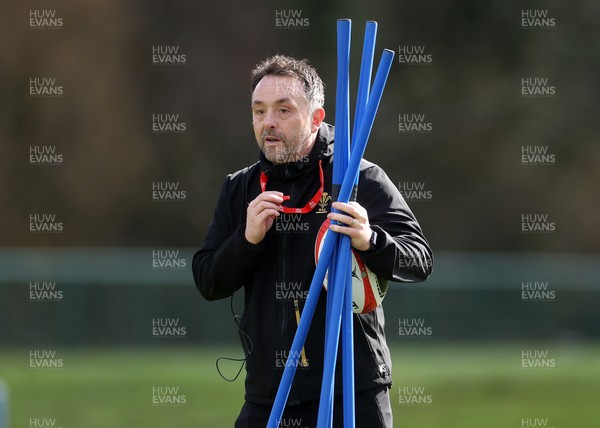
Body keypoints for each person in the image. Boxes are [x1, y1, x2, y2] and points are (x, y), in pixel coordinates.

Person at [193, 55, 433, 428]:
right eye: (259, 111)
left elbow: (419, 260)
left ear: (316, 117)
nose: (268, 122)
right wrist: (247, 239)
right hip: (271, 394)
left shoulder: (359, 177)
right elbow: (208, 280)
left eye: (283, 110)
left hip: (351, 392)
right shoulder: (238, 187)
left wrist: (371, 239)